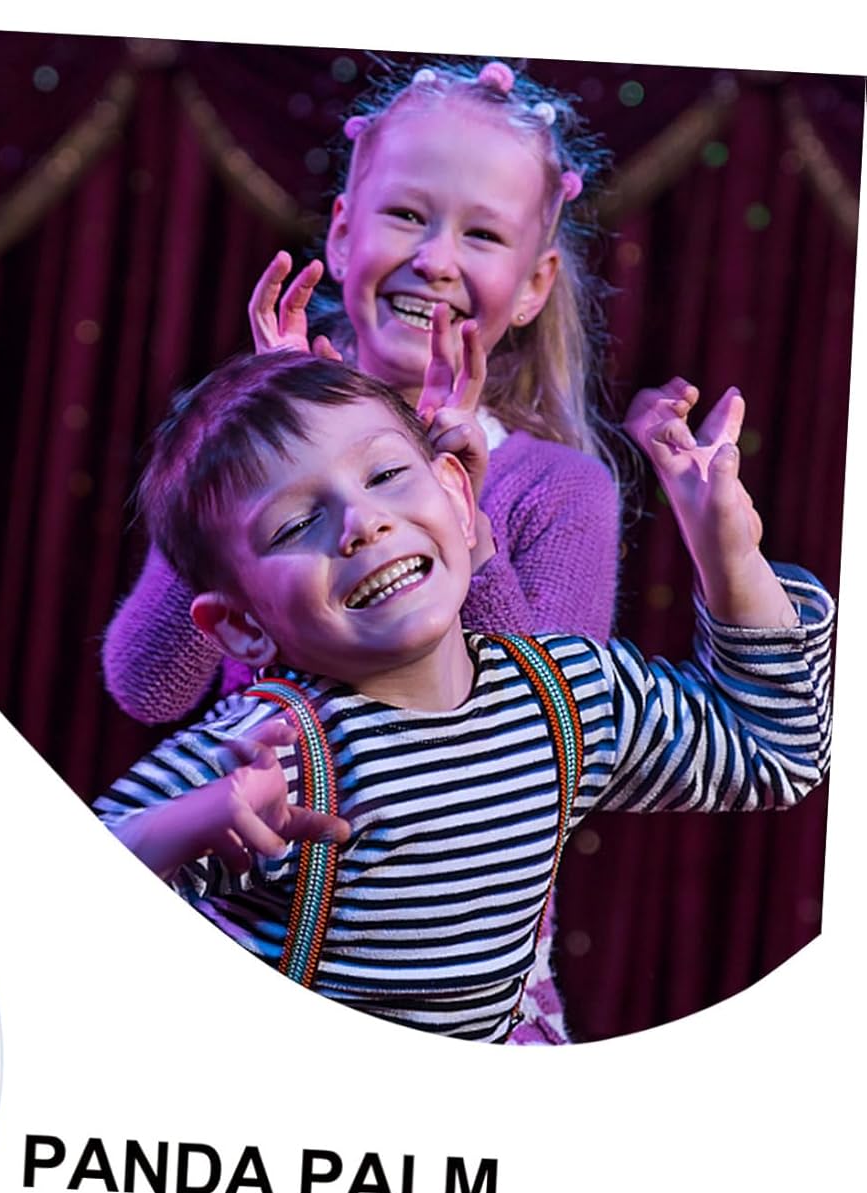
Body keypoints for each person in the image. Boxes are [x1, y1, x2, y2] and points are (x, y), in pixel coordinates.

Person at [103, 59, 624, 1041]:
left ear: (532, 285)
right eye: (407, 217)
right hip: (248, 949)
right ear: (343, 235)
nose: (435, 259)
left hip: (443, 997)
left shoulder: (556, 491)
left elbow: (545, 761)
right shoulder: (247, 456)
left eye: (481, 234)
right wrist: (248, 461)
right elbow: (149, 684)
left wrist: (465, 520)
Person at [94, 353, 833, 1043]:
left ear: (455, 491)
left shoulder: (565, 698)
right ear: (241, 627)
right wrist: (178, 829)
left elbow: (775, 750)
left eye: (386, 475)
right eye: (295, 523)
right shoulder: (267, 758)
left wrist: (728, 555)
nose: (362, 524)